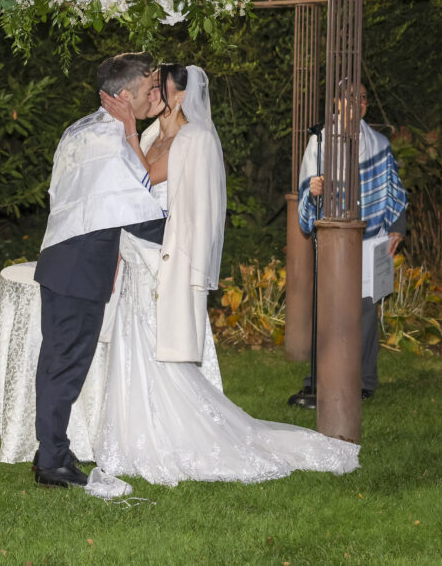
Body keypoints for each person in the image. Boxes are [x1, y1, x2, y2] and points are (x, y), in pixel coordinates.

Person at [95, 64, 359, 486]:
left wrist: (126, 126)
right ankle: (133, 434)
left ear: (179, 95)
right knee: (134, 346)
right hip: (137, 256)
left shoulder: (194, 138)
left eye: (157, 87)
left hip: (166, 258)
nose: (150, 95)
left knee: (160, 352)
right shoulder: (149, 135)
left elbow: (143, 176)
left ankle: (178, 436)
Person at [32, 52, 167, 488]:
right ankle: (52, 462)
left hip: (63, 259)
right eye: (149, 90)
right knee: (65, 365)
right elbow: (140, 213)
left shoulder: (82, 129)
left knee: (58, 361)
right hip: (80, 268)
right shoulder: (112, 143)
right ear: (125, 96)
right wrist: (186, 234)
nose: (155, 97)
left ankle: (51, 448)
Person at [288, 83, 407, 409]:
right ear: (337, 102)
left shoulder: (379, 145)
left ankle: (364, 381)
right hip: (333, 238)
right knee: (327, 309)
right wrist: (313, 190)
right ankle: (318, 380)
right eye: (350, 97)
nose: (357, 103)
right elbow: (306, 185)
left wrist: (397, 228)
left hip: (371, 237)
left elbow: (394, 186)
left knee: (365, 312)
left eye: (363, 98)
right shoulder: (321, 140)